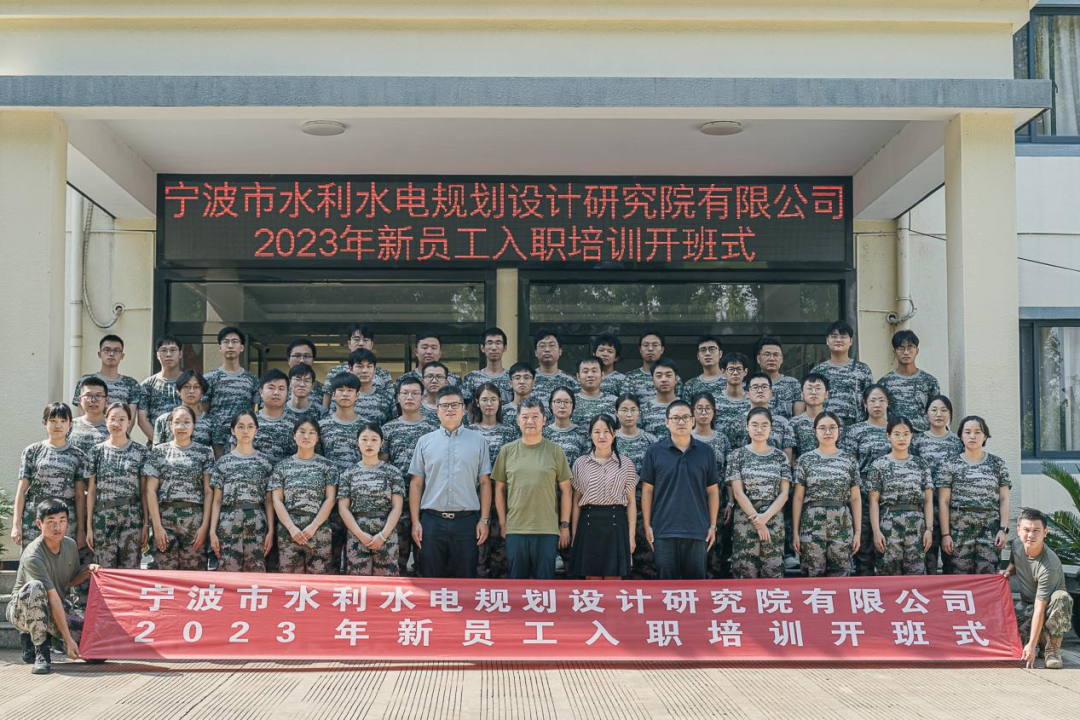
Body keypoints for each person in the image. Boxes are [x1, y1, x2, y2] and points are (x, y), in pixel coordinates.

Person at [408, 386, 492, 578]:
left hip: (466, 522)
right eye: (445, 405)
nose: (450, 409)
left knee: (466, 579)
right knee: (430, 578)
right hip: (431, 522)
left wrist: (484, 519)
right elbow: (416, 483)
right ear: (437, 410)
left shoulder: (478, 441)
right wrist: (415, 522)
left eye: (455, 405)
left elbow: (485, 483)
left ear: (463, 409)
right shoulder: (425, 442)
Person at [7, 499, 97, 674]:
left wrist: (87, 571)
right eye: (51, 521)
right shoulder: (33, 555)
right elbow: (53, 598)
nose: (57, 527)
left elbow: (70, 581)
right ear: (39, 524)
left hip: (54, 606)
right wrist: (68, 639)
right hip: (22, 611)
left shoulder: (70, 545)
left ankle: (52, 639)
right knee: (35, 587)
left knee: (94, 652)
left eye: (62, 521)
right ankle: (41, 651)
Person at [493, 398, 572, 580]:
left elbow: (566, 490)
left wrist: (564, 525)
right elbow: (499, 489)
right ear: (518, 420)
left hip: (547, 529)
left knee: (545, 585)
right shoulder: (507, 451)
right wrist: (503, 524)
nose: (530, 421)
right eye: (525, 417)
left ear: (544, 420)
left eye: (535, 416)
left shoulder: (555, 451)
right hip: (516, 529)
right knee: (516, 584)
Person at [640, 400, 720, 580]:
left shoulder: (706, 452)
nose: (681, 422)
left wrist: (712, 525)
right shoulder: (654, 452)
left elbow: (713, 491)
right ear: (666, 422)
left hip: (697, 529)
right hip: (663, 529)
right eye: (675, 418)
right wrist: (647, 525)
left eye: (685, 417)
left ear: (693, 421)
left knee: (695, 587)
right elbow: (647, 491)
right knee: (666, 587)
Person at [144, 406, 215, 571]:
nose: (182, 427)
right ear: (170, 425)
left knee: (194, 576)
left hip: (195, 521)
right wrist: (157, 527)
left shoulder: (204, 453)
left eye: (186, 422)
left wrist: (204, 526)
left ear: (194, 425)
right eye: (177, 422)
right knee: (165, 574)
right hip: (165, 519)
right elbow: (150, 490)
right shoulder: (159, 452)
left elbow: (208, 491)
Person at [938, 415, 1011, 575]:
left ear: (985, 436)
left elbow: (1004, 499)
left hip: (989, 531)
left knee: (987, 579)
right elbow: (943, 501)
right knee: (958, 579)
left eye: (978, 432)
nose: (972, 436)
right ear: (961, 436)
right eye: (968, 432)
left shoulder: (997, 464)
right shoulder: (950, 464)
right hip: (959, 531)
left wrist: (1003, 529)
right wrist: (945, 534)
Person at [1003, 508, 1074, 670]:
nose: (1031, 535)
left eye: (1036, 531)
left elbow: (1040, 607)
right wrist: (1006, 573)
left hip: (1047, 608)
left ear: (1045, 533)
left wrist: (1031, 645)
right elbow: (1014, 563)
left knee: (1062, 598)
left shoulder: (1048, 566)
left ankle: (1052, 649)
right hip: (1027, 605)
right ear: (1018, 530)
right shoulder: (1017, 545)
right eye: (1026, 530)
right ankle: (1041, 639)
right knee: (1008, 642)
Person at [379, 377, 437, 576]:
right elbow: (383, 465)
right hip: (397, 501)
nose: (409, 397)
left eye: (415, 393)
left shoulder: (433, 428)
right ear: (398, 397)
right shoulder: (388, 429)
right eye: (405, 393)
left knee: (427, 559)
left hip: (428, 500)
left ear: (422, 397)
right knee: (397, 559)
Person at [792, 411, 861, 577]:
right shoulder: (805, 460)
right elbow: (798, 498)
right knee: (813, 574)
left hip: (842, 522)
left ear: (839, 430)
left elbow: (855, 498)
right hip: (812, 523)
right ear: (815, 431)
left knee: (841, 575)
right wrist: (795, 532)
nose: (828, 432)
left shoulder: (849, 460)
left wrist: (858, 532)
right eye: (822, 428)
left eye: (832, 427)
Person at [726, 408, 792, 579]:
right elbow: (738, 493)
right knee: (745, 571)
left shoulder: (780, 457)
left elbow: (784, 494)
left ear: (771, 428)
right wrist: (757, 521)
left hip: (773, 519)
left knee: (773, 571)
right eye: (754, 425)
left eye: (764, 425)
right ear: (747, 427)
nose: (759, 429)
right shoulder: (737, 456)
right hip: (745, 519)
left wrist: (764, 519)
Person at [570, 414, 638, 579]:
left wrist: (631, 535)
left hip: (616, 524)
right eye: (597, 432)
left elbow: (631, 502)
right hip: (588, 524)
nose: (602, 436)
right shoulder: (580, 463)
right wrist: (574, 535)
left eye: (606, 431)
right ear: (590, 435)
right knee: (591, 580)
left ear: (614, 434)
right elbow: (576, 502)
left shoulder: (626, 463)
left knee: (614, 580)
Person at [12, 404, 88, 551]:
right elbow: (21, 490)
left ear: (70, 424)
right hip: (35, 517)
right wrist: (16, 525)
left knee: (63, 561)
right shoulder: (32, 451)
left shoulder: (78, 456)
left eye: (63, 421)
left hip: (65, 519)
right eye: (53, 420)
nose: (58, 425)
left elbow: (79, 495)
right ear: (45, 423)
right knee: (33, 560)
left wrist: (80, 530)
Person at [209, 410, 276, 572]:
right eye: (241, 426)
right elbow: (217, 500)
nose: (246, 431)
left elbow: (269, 501)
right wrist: (212, 531)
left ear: (256, 430)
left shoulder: (265, 462)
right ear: (233, 430)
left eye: (250, 426)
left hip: (257, 522)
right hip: (228, 522)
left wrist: (270, 531)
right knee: (228, 573)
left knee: (255, 573)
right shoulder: (223, 462)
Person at [270, 418, 339, 574]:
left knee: (318, 580)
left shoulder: (328, 467)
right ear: (294, 436)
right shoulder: (282, 467)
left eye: (311, 433)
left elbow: (330, 499)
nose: (306, 436)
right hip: (289, 530)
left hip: (318, 529)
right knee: (290, 581)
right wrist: (291, 528)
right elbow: (277, 500)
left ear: (318, 438)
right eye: (302, 432)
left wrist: (314, 526)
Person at [867, 416, 934, 576]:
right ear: (888, 436)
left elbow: (928, 500)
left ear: (911, 435)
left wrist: (929, 529)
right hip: (889, 525)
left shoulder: (921, 465)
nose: (901, 438)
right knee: (888, 574)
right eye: (896, 434)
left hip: (916, 525)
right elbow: (873, 501)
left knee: (916, 575)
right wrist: (876, 531)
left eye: (905, 434)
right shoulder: (879, 465)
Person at [85, 402, 148, 570]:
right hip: (103, 518)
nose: (117, 424)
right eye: (112, 419)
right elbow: (91, 491)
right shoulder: (96, 452)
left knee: (130, 571)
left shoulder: (140, 452)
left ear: (129, 422)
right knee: (104, 571)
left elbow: (144, 491)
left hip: (132, 518)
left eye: (122, 419)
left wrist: (146, 524)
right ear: (105, 421)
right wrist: (89, 527)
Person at [338, 423, 405, 576]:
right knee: (358, 582)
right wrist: (360, 534)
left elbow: (397, 507)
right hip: (357, 533)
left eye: (374, 439)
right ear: (357, 442)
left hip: (386, 532)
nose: (369, 444)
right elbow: (343, 508)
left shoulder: (392, 472)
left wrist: (383, 535)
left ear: (382, 443)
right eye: (364, 439)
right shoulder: (349, 473)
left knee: (386, 583)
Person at [841, 384, 893, 575]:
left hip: (890, 497)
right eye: (872, 400)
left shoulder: (896, 429)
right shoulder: (855, 431)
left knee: (889, 547)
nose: (877, 405)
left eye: (881, 400)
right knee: (863, 547)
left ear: (888, 403)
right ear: (864, 403)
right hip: (862, 495)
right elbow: (849, 463)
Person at [469, 382, 517, 578]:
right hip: (474, 498)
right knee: (477, 552)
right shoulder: (468, 431)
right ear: (477, 402)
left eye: (493, 399)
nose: (489, 404)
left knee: (501, 555)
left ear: (500, 402)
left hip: (503, 499)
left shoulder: (510, 431)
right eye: (485, 399)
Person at [912, 395, 964, 574]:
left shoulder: (957, 441)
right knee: (928, 553)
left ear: (950, 414)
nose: (939, 414)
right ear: (926, 413)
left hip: (951, 505)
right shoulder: (917, 441)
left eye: (944, 410)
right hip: (925, 504)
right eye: (934, 410)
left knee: (952, 553)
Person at [615, 393, 659, 580]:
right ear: (616, 413)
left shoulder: (651, 440)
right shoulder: (609, 438)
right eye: (624, 410)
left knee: (646, 560)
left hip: (644, 506)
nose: (629, 414)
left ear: (639, 412)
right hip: (615, 506)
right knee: (616, 560)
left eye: (633, 410)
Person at [690, 392, 733, 579]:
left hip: (717, 501)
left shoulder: (722, 439)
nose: (703, 412)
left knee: (716, 550)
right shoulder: (686, 437)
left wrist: (730, 502)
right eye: (699, 408)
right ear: (692, 412)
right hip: (692, 501)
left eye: (708, 408)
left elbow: (729, 473)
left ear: (714, 412)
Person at [203, 326, 260, 452]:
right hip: (216, 442)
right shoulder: (209, 378)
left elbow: (254, 411)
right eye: (226, 342)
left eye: (234, 342)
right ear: (220, 347)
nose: (230, 346)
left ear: (242, 347)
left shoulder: (252, 379)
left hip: (243, 439)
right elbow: (203, 411)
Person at [811, 320, 874, 427]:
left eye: (843, 336)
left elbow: (871, 399)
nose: (838, 340)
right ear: (827, 341)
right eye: (834, 336)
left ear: (851, 341)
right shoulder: (818, 371)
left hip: (856, 426)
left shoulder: (862, 369)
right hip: (826, 427)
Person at [877, 330, 940, 433]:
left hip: (923, 436)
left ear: (917, 351)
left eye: (910, 348)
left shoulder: (929, 381)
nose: (906, 352)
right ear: (894, 352)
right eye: (901, 348)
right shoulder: (884, 383)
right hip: (897, 436)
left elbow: (936, 411)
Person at [72, 334, 142, 424]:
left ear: (122, 356)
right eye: (107, 350)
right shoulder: (85, 381)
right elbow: (82, 414)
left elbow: (130, 419)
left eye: (116, 351)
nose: (111, 354)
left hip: (118, 431)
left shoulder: (131, 384)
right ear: (99, 354)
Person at [729, 373, 796, 463]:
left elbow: (787, 459)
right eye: (755, 387)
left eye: (764, 387)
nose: (760, 390)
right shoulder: (736, 422)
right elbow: (733, 457)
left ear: (771, 393)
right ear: (747, 393)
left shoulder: (783, 423)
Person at [324, 323, 394, 407]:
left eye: (365, 340)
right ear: (349, 344)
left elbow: (391, 401)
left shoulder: (383, 373)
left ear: (371, 344)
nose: (361, 343)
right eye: (356, 339)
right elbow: (326, 403)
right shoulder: (335, 371)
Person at [137, 335, 184, 439]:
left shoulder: (189, 383)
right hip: (156, 444)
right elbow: (142, 419)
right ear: (157, 355)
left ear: (180, 354)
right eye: (164, 350)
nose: (168, 354)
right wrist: (158, 443)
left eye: (173, 350)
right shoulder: (147, 385)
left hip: (186, 444)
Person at [152, 370, 214, 449]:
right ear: (178, 391)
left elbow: (218, 453)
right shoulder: (164, 420)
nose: (191, 391)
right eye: (186, 387)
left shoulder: (212, 422)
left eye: (196, 387)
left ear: (202, 393)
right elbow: (156, 452)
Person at [319, 373, 366, 471]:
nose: (345, 394)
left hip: (358, 478)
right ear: (333, 395)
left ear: (357, 395)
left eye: (350, 390)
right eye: (341, 390)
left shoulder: (366, 427)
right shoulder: (321, 426)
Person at [249, 369, 296, 464]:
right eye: (271, 388)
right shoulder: (248, 421)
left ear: (287, 393)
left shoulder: (296, 424)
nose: (276, 392)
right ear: (261, 392)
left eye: (281, 389)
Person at [532, 329, 580, 410]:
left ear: (560, 351)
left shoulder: (572, 382)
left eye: (552, 345)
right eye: (542, 346)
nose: (547, 350)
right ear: (535, 352)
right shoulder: (527, 380)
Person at [755, 337, 803, 420]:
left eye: (776, 355)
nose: (772, 358)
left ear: (781, 359)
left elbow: (797, 419)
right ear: (758, 359)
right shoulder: (750, 385)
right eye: (767, 354)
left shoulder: (794, 384)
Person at [462, 327, 513, 404]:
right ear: (482, 348)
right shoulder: (472, 378)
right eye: (489, 343)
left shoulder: (512, 377)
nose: (494, 348)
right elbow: (467, 407)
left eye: (498, 343)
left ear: (505, 348)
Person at [543, 386, 588, 467]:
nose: (562, 406)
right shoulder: (543, 433)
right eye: (558, 402)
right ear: (550, 405)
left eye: (566, 402)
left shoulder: (582, 434)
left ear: (573, 406)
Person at [715, 352, 752, 448]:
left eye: (739, 369)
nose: (735, 373)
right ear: (723, 372)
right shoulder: (714, 401)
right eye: (731, 369)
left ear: (745, 371)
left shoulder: (752, 400)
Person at [639, 358, 681, 440]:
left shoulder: (686, 408)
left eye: (668, 375)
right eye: (659, 376)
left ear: (676, 379)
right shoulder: (643, 409)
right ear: (652, 380)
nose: (664, 379)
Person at [791, 373, 830, 458]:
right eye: (809, 389)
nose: (814, 392)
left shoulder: (834, 422)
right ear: (802, 394)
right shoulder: (793, 423)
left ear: (826, 394)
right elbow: (792, 456)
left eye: (818, 388)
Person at [350, 348, 394, 425]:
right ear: (351, 369)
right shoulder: (343, 395)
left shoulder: (386, 397)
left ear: (374, 370)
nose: (364, 371)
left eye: (369, 366)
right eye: (360, 366)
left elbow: (393, 424)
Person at [68, 376, 111, 454]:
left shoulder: (113, 426)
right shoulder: (70, 425)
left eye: (98, 396)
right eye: (88, 396)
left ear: (106, 400)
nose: (93, 400)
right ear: (80, 400)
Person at [572, 356, 618, 424]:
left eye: (594, 371)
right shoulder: (569, 402)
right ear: (578, 376)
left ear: (602, 375)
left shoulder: (615, 402)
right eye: (585, 371)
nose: (590, 375)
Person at [683, 335, 725, 401]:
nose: (707, 353)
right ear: (698, 356)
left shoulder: (731, 380)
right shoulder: (690, 385)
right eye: (703, 350)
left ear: (720, 354)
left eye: (712, 349)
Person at [285, 338, 324, 405]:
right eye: (297, 356)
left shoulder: (322, 390)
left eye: (306, 356)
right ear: (288, 360)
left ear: (313, 360)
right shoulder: (279, 388)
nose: (302, 360)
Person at [503, 362, 536, 428]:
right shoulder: (501, 412)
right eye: (517, 378)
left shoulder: (540, 411)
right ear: (510, 383)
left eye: (526, 378)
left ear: (534, 382)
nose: (522, 381)